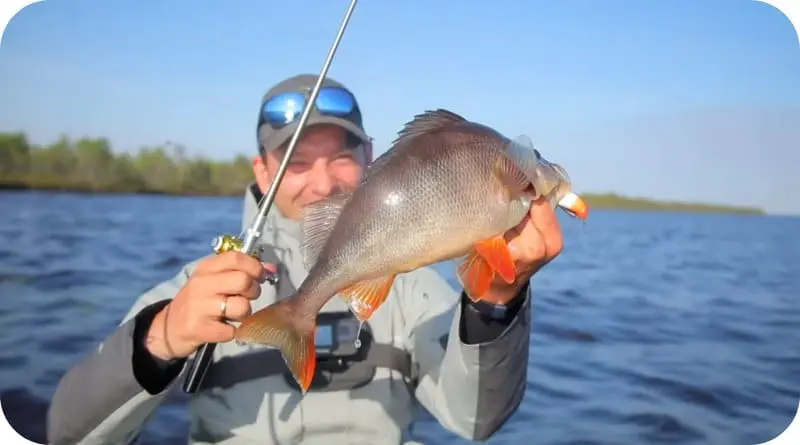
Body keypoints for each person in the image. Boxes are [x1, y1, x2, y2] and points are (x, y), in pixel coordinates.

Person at [46, 74, 566, 445]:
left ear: (372, 160)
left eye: (342, 156)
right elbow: (63, 434)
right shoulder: (194, 290)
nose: (323, 182)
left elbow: (477, 422)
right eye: (296, 162)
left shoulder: (413, 287)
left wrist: (496, 305)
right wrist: (160, 339)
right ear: (263, 172)